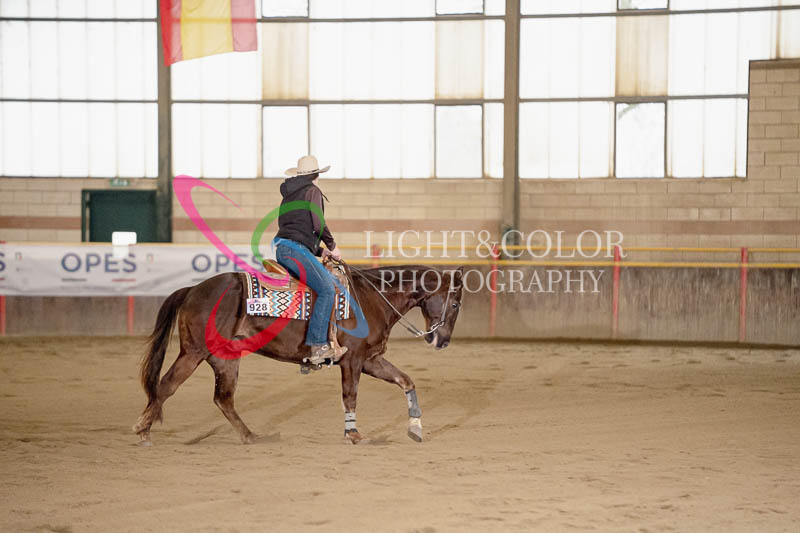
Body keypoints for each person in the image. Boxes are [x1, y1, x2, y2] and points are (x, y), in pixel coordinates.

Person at [272, 155, 347, 365]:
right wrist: (332, 246)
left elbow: (295, 228)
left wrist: (320, 251)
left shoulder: (289, 195)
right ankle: (318, 345)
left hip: (285, 249)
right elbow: (318, 224)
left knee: (315, 287)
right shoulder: (312, 191)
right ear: (316, 175)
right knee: (327, 289)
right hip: (295, 251)